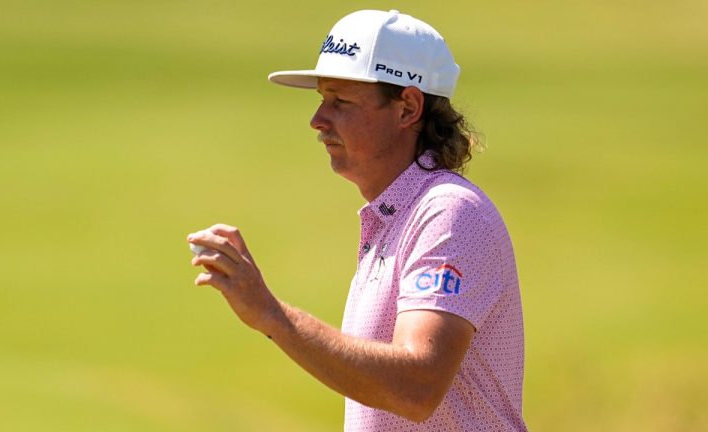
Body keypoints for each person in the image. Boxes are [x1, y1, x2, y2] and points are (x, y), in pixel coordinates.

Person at [187, 9, 527, 431]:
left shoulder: (448, 213)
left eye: (341, 101)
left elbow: (416, 387)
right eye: (321, 99)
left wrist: (271, 314)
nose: (317, 119)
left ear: (408, 108)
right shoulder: (398, 216)